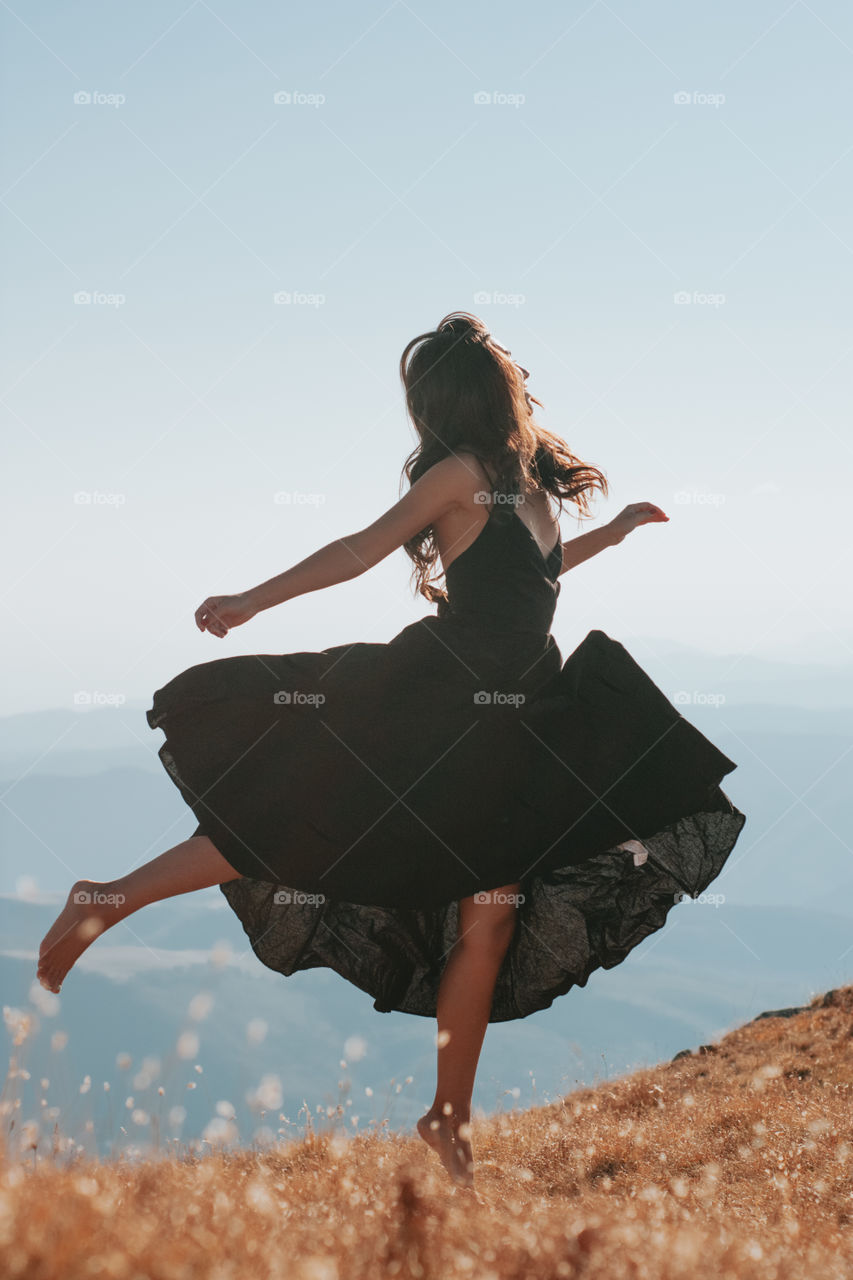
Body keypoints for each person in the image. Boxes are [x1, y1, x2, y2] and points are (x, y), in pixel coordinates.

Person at [38, 311, 746, 1191]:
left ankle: (447, 1115)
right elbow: (359, 549)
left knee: (489, 916)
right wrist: (252, 601)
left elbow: (536, 584)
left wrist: (615, 533)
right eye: (507, 377)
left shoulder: (525, 489)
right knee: (301, 825)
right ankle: (105, 898)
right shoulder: (458, 476)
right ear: (488, 394)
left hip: (515, 721)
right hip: (436, 699)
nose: (519, 385)